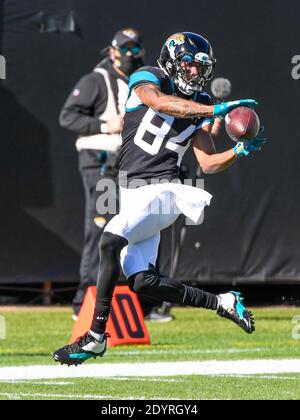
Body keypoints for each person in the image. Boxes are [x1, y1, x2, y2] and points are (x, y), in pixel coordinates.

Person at [53, 32, 266, 366]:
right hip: (133, 193)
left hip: (165, 191)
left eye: (201, 67)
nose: (196, 73)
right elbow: (159, 103)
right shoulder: (149, 77)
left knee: (108, 241)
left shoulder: (201, 105)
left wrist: (237, 151)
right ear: (171, 61)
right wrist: (212, 109)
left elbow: (208, 164)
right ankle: (223, 302)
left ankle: (95, 336)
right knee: (141, 281)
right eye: (189, 65)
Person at [59, 28, 170, 320]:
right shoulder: (97, 80)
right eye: (126, 48)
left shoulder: (146, 81)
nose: (131, 54)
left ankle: (144, 304)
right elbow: (67, 116)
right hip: (101, 163)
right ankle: (84, 302)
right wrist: (107, 125)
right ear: (112, 52)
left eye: (136, 49)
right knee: (101, 229)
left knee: (141, 228)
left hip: (131, 164)